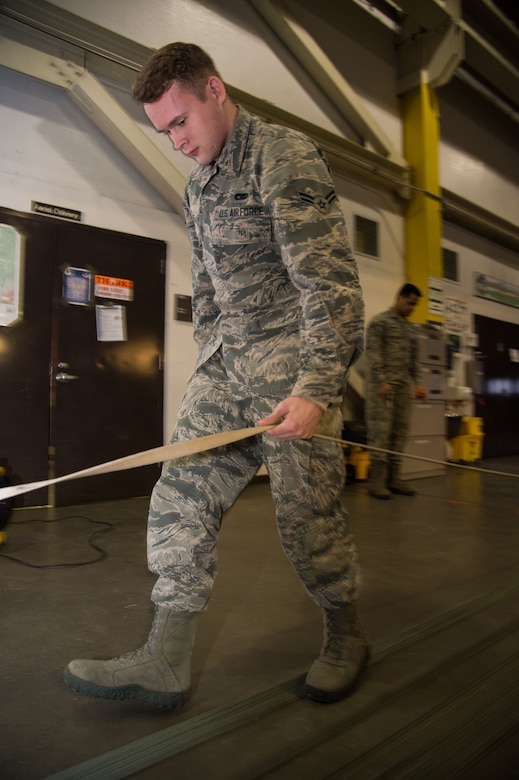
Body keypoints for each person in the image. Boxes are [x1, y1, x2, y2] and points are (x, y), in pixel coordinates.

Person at [63, 42, 368, 708]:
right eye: (162, 129)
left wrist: (316, 389)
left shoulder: (281, 158)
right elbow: (206, 286)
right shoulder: (198, 185)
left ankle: (345, 634)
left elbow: (330, 285)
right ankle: (163, 660)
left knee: (304, 519)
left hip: (291, 371)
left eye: (180, 121)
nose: (174, 140)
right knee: (180, 496)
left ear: (214, 90)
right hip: (228, 367)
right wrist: (209, 357)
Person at [365, 283, 426, 499]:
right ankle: (377, 483)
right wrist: (381, 381)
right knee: (380, 434)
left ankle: (395, 479)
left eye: (415, 305)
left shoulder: (410, 329)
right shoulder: (379, 323)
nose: (412, 308)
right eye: (410, 303)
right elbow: (372, 355)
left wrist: (418, 383)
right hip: (382, 390)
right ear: (399, 298)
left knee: (399, 433)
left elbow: (414, 361)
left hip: (401, 389)